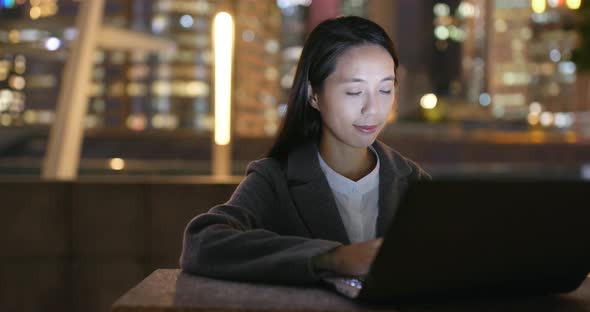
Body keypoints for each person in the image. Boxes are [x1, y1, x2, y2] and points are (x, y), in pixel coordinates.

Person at [180, 16, 430, 285]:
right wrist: (332, 258)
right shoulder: (276, 178)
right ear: (313, 95)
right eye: (354, 91)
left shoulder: (411, 179)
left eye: (385, 89)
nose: (373, 109)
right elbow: (202, 242)